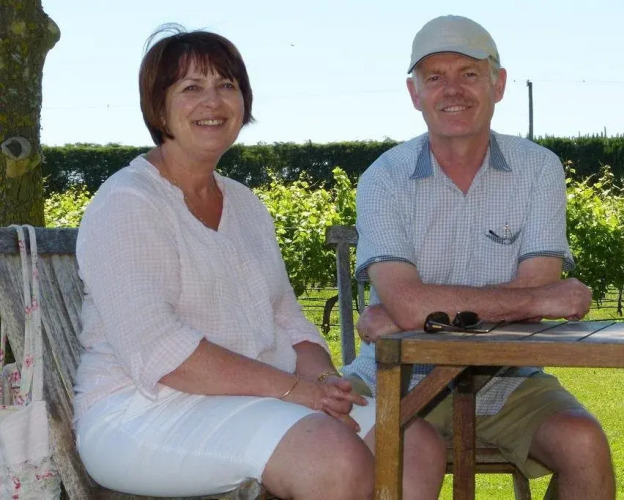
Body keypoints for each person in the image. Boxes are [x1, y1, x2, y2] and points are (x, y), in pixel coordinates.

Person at [73, 25, 446, 499]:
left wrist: (325, 381)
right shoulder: (129, 202)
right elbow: (161, 350)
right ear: (158, 107)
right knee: (331, 457)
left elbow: (288, 320)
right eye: (191, 88)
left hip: (252, 400)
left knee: (414, 443)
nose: (213, 101)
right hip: (144, 412)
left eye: (226, 85)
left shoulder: (244, 204)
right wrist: (294, 390)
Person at [341, 15, 615, 499]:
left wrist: (416, 314)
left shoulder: (539, 169)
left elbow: (416, 307)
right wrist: (528, 300)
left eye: (469, 73)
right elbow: (537, 298)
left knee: (584, 444)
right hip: (394, 377)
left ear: (498, 84)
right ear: (414, 93)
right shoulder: (383, 178)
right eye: (434, 77)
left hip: (504, 376)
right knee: (381, 451)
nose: (453, 90)